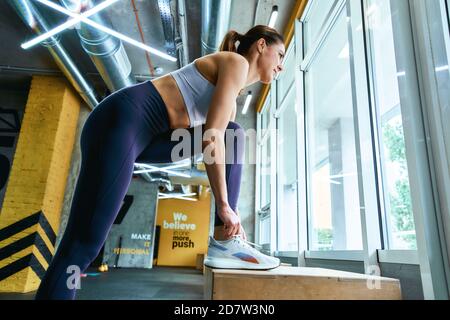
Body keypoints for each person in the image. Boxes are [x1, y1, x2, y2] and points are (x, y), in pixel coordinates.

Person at [35, 25, 285, 300]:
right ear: (261, 45)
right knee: (84, 244)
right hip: (120, 122)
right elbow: (210, 139)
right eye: (281, 55)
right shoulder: (235, 62)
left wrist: (230, 213)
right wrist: (224, 205)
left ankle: (226, 239)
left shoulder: (233, 97)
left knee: (234, 133)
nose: (281, 67)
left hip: (150, 137)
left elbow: (217, 139)